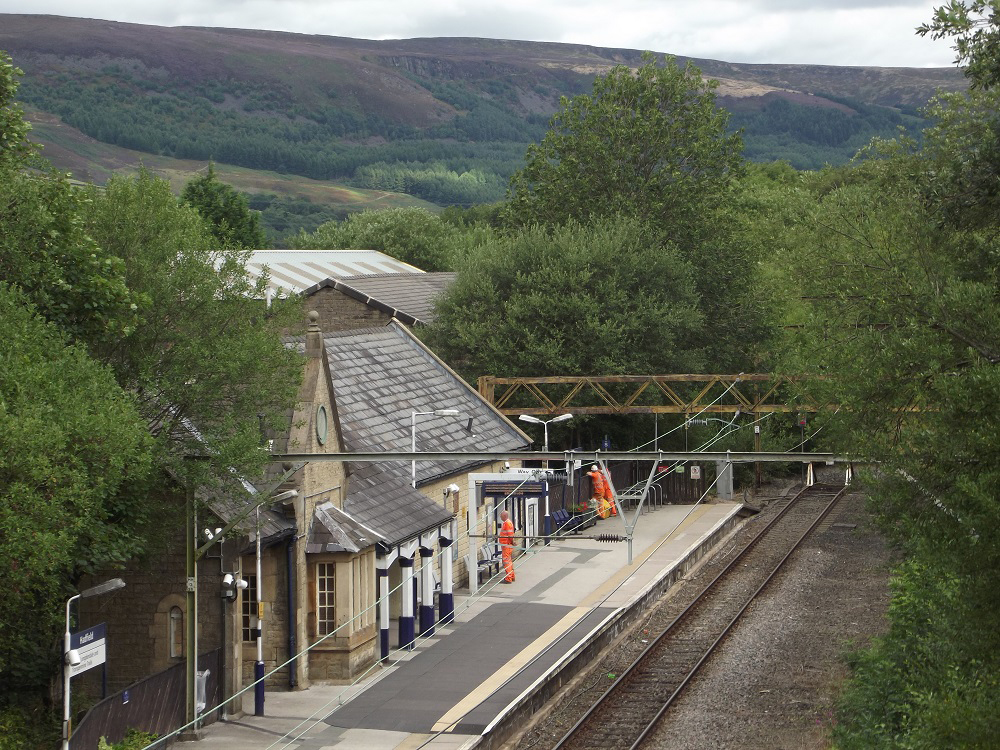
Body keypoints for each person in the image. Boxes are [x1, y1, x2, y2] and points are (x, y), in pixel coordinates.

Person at [499, 510, 516, 583]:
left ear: (504, 516)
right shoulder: (508, 523)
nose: (500, 517)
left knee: (506, 562)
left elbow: (509, 535)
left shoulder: (507, 524)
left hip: (506, 545)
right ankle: (511, 576)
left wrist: (512, 542)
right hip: (507, 545)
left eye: (501, 516)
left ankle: (508, 578)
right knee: (509, 561)